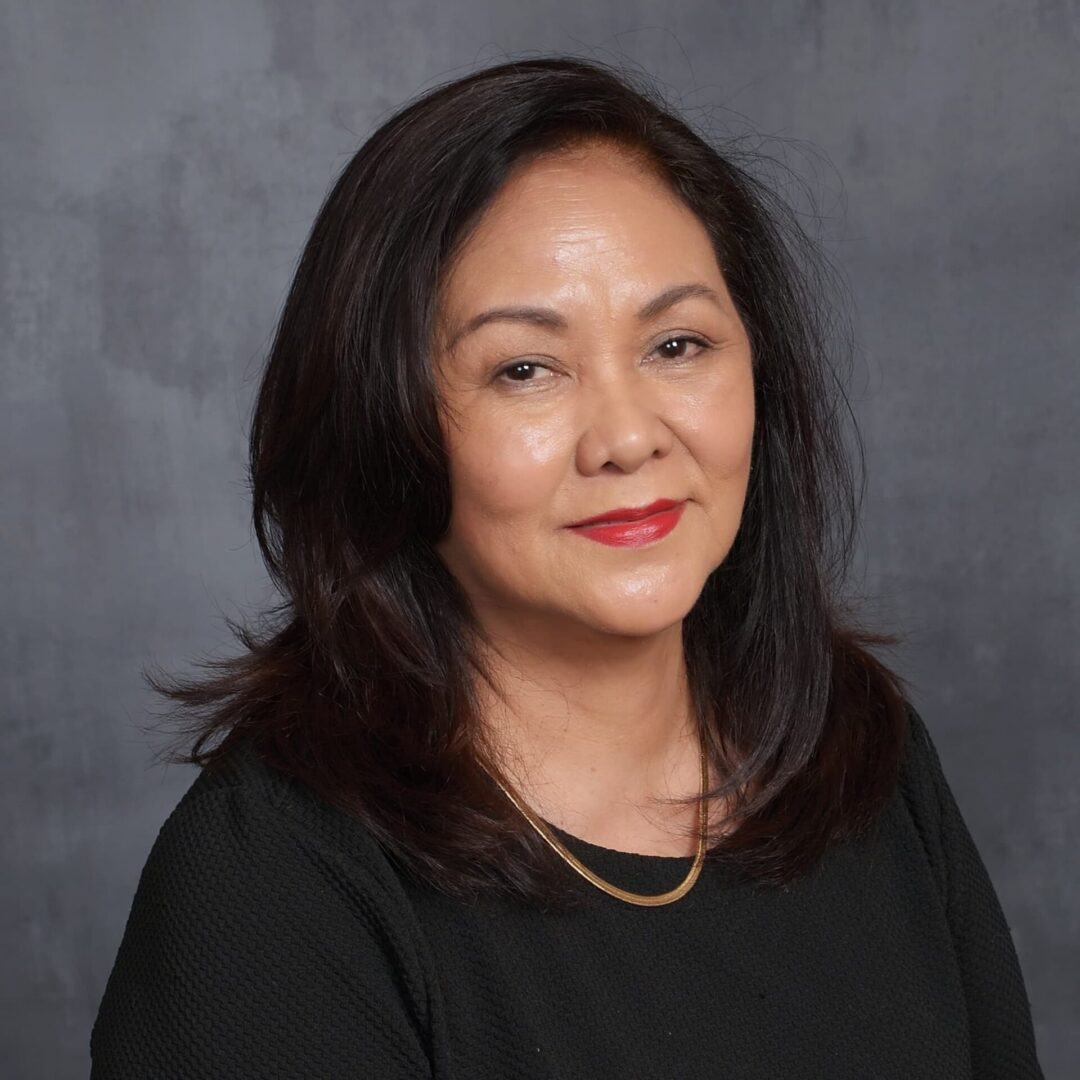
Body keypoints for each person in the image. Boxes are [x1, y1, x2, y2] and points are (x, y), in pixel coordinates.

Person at [89, 56, 1043, 1078]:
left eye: (678, 345)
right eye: (525, 369)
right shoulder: (269, 887)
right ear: (388, 429)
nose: (627, 439)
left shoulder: (861, 757)